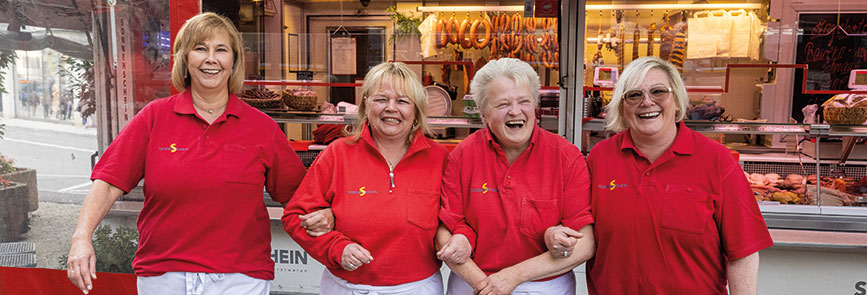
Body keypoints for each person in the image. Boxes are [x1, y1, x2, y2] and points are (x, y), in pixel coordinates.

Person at [65, 13, 333, 295]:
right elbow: (108, 183)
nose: (211, 59)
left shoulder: (261, 128)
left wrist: (326, 215)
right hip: (165, 276)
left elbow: (300, 196)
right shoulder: (154, 117)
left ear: (234, 61)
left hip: (241, 279)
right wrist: (81, 238)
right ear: (185, 58)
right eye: (200, 48)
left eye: (221, 50)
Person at [585, 56, 774, 295]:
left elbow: (744, 253)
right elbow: (582, 232)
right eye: (634, 95)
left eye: (658, 92)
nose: (647, 102)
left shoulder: (716, 160)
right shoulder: (600, 158)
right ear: (623, 106)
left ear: (676, 101)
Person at [282, 62, 449, 294]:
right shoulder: (338, 153)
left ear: (417, 110)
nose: (391, 108)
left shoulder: (440, 159)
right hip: (348, 287)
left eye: (402, 101)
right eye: (381, 99)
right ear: (366, 105)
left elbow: (457, 219)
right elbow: (295, 216)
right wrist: (336, 248)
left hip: (417, 288)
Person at [435, 58, 595, 295]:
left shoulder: (566, 157)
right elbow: (444, 232)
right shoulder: (463, 155)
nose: (515, 111)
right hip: (473, 283)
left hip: (545, 285)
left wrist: (514, 276)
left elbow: (586, 244)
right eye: (502, 104)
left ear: (535, 106)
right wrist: (484, 285)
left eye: (524, 102)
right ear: (484, 113)